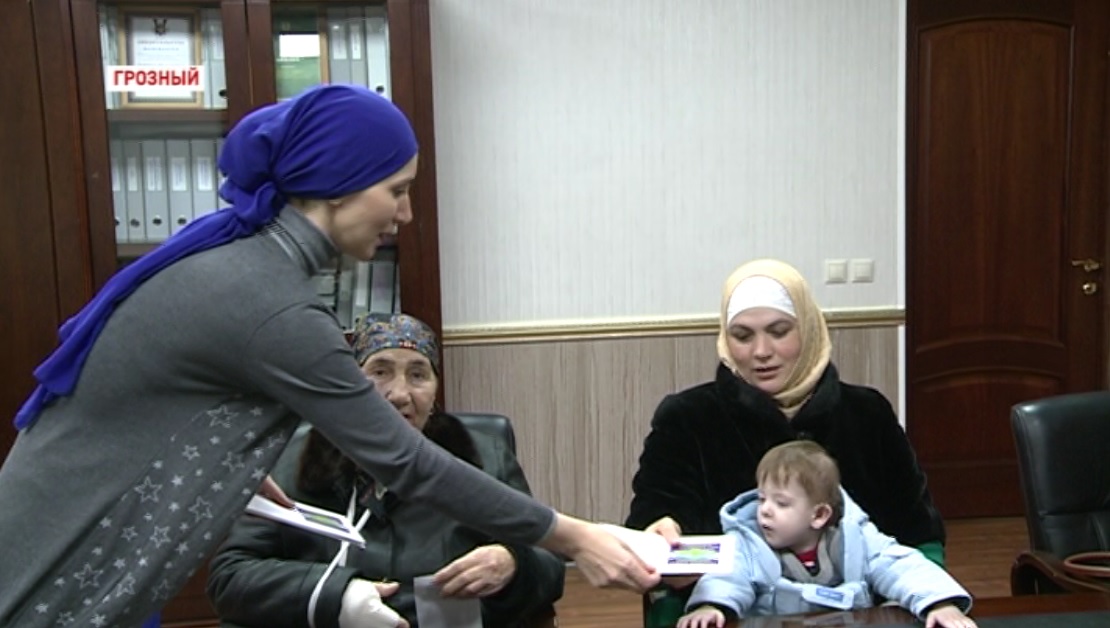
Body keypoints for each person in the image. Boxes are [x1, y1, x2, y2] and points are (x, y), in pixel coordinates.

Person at [0, 84, 655, 628]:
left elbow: (155, 406)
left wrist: (225, 463)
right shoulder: (270, 301)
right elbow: (407, 462)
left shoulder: (241, 265)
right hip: (52, 573)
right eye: (396, 189)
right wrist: (576, 537)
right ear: (339, 185)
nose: (405, 212)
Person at [626, 258, 945, 625]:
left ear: (808, 330)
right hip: (721, 612)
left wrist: (925, 601)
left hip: (859, 613)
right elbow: (653, 516)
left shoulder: (866, 412)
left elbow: (918, 531)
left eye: (779, 331)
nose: (761, 351)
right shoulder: (687, 417)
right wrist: (660, 538)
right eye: (742, 336)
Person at [207, 313, 565, 627]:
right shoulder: (292, 459)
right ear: (349, 384)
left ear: (435, 392)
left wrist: (513, 563)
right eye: (380, 372)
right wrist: (339, 595)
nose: (399, 394)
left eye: (418, 375)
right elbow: (231, 577)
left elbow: (548, 560)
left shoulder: (484, 458)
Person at [677, 441, 974, 628]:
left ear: (819, 515)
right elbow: (728, 576)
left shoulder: (856, 539)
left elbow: (900, 565)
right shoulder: (747, 544)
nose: (764, 511)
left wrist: (939, 603)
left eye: (781, 503)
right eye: (762, 498)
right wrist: (710, 605)